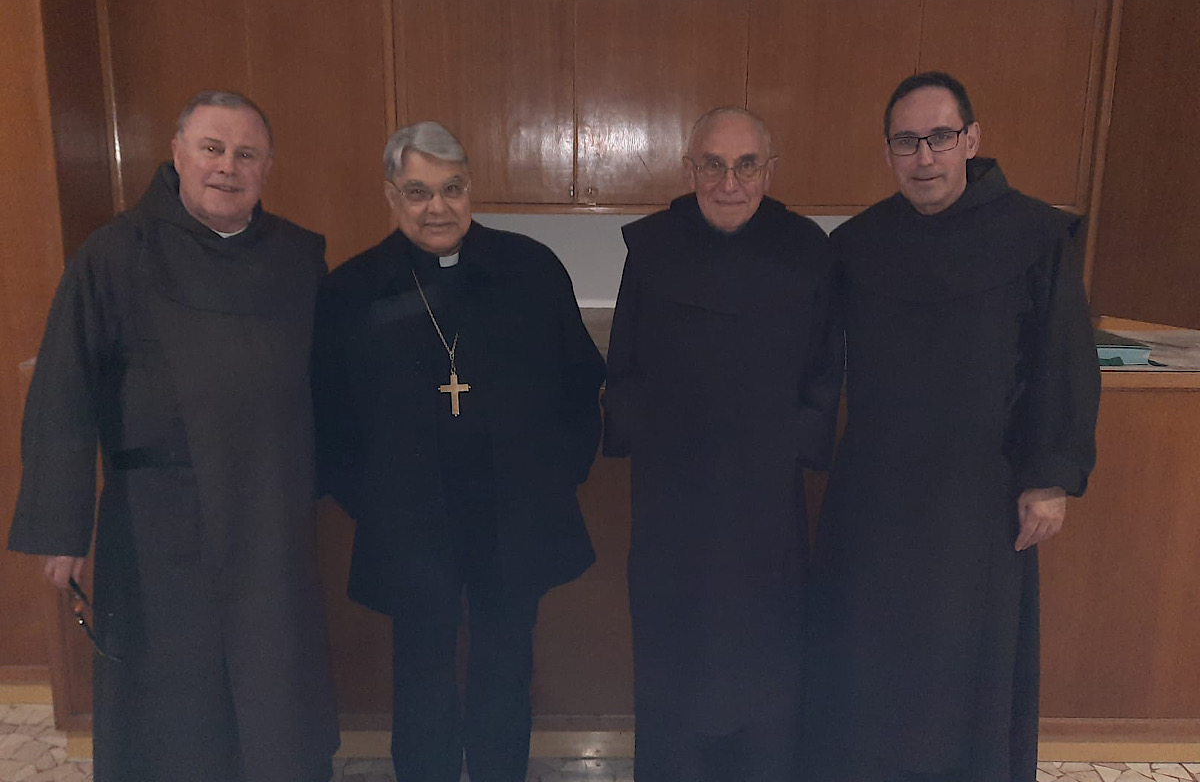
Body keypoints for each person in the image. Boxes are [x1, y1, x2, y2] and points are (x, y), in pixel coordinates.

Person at [7, 90, 340, 782]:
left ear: (267, 167)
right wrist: (64, 528)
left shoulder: (298, 256)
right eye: (212, 148)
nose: (227, 167)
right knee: (174, 691)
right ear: (178, 154)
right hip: (158, 518)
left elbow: (330, 380)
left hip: (269, 510)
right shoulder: (114, 254)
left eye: (246, 154)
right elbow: (65, 388)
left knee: (274, 677)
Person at [807, 72, 1101, 782]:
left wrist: (1049, 478)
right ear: (888, 151)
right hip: (875, 493)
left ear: (971, 139)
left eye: (939, 137)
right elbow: (809, 351)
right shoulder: (859, 244)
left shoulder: (1034, 235)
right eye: (906, 142)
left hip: (981, 494)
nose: (924, 157)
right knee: (870, 653)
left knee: (966, 659)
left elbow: (1063, 360)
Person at [312, 121, 604, 782]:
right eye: (418, 192)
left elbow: (580, 382)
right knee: (420, 675)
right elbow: (330, 416)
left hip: (513, 514)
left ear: (471, 189)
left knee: (507, 667)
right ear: (391, 196)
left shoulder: (530, 270)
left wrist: (557, 477)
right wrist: (373, 502)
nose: (437, 208)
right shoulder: (353, 290)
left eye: (452, 189)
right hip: (411, 522)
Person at [603, 106, 843, 782]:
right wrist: (643, 439)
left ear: (770, 171)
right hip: (671, 499)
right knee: (672, 648)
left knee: (763, 650)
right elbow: (626, 361)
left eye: (746, 165)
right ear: (689, 170)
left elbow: (826, 367)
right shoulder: (653, 248)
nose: (728, 183)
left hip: (765, 500)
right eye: (713, 164)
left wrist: (791, 446)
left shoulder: (806, 249)